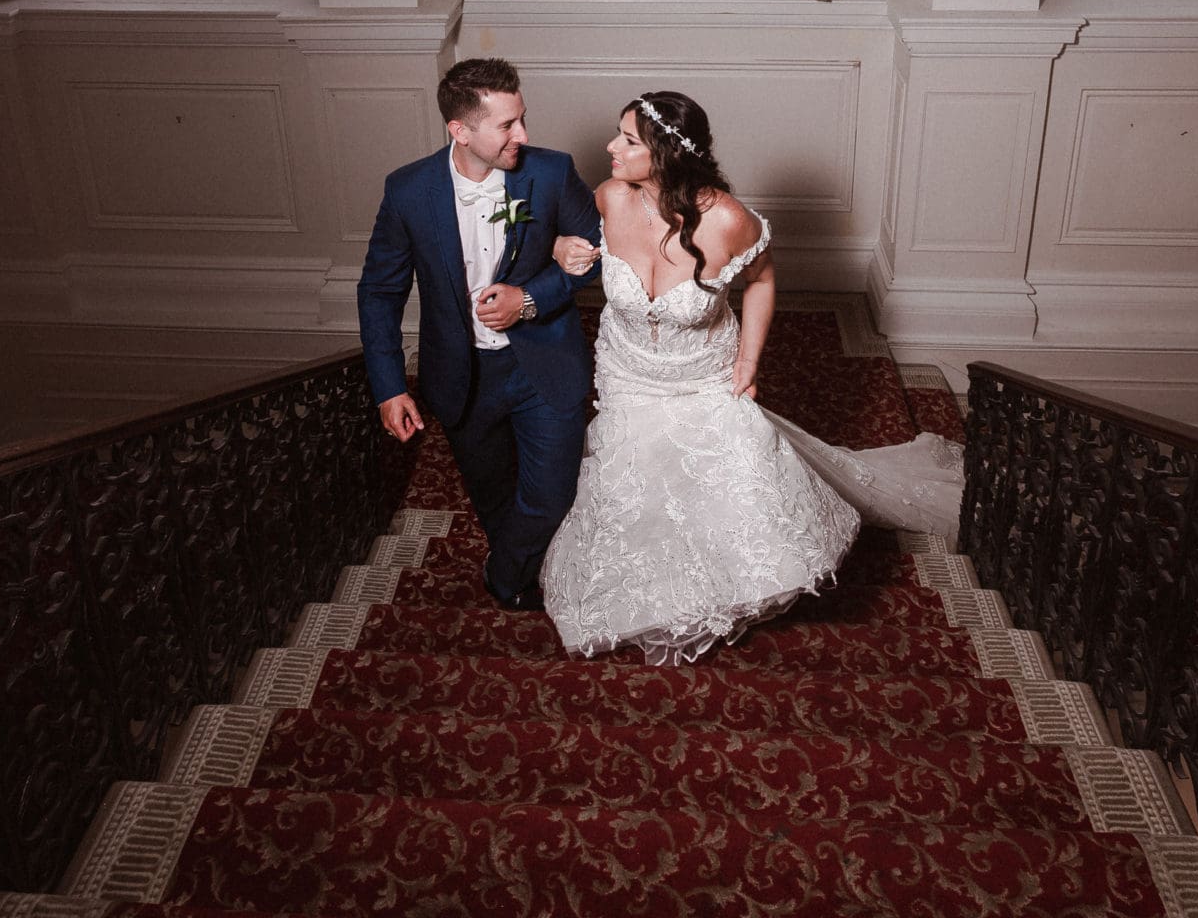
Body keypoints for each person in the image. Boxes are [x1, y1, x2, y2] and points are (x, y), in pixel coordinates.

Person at [539, 90, 967, 665]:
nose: (610, 146)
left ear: (666, 153)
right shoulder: (609, 197)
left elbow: (762, 280)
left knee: (726, 480)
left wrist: (748, 362)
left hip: (703, 373)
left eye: (629, 139)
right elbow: (557, 242)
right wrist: (561, 245)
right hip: (627, 371)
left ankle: (720, 586)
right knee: (633, 484)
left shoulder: (728, 220)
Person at [357, 56, 600, 611]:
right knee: (493, 496)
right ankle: (524, 575)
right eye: (507, 125)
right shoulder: (408, 190)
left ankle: (503, 574)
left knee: (552, 494)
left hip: (544, 366)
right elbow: (379, 292)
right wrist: (389, 387)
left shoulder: (551, 172)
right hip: (462, 377)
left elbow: (600, 253)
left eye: (523, 118)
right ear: (460, 131)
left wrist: (530, 298)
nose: (524, 134)